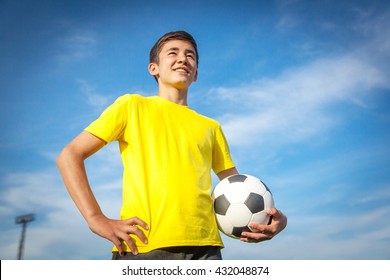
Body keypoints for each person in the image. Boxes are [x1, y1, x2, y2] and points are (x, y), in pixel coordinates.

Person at [56, 31, 287, 260]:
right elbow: (69, 155)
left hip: (205, 250)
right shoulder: (132, 106)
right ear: (153, 68)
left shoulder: (211, 127)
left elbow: (236, 188)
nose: (182, 59)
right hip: (144, 246)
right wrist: (95, 218)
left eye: (190, 55)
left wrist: (271, 219)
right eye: (172, 53)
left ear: (195, 73)